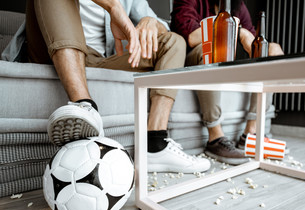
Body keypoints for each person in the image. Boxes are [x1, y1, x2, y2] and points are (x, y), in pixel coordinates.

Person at [2, 0, 211, 173]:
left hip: (98, 59)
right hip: (48, 49)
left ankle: (155, 143)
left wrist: (151, 22)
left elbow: (161, 25)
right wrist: (113, 7)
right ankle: (85, 106)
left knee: (173, 41)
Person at [170, 0, 286, 163]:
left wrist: (267, 50)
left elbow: (252, 44)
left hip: (225, 59)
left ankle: (250, 134)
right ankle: (215, 138)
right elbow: (192, 37)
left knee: (270, 52)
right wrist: (238, 31)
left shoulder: (239, 6)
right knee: (208, 48)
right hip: (193, 57)